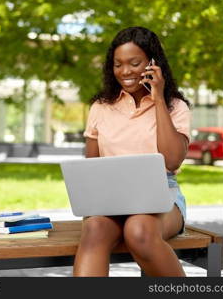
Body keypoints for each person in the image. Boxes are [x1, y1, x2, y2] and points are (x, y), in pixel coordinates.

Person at [73, 27, 191, 277]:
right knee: (94, 228)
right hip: (111, 197)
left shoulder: (176, 106)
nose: (125, 71)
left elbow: (172, 159)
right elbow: (91, 167)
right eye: (118, 64)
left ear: (152, 63)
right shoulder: (100, 107)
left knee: (138, 229)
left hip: (163, 195)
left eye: (134, 63)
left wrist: (158, 98)